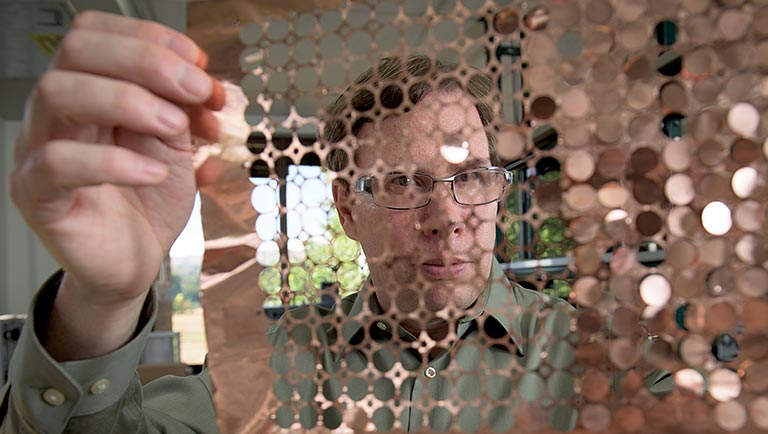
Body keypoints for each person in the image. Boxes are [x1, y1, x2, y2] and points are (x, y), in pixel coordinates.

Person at [1, 11, 668, 434]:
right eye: (405, 184)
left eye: (470, 178)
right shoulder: (271, 367)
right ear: (348, 209)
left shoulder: (591, 361)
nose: (448, 219)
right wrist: (104, 297)